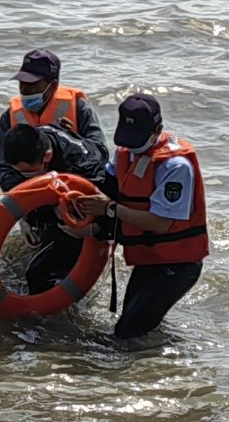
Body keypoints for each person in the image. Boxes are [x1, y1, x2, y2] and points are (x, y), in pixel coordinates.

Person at [69, 93, 208, 339]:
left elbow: (161, 224)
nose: (131, 146)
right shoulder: (124, 153)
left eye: (137, 139)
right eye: (127, 139)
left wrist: (109, 208)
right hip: (148, 257)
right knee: (132, 324)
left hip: (176, 264)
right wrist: (88, 226)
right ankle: (152, 364)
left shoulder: (176, 167)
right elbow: (107, 191)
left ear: (158, 129)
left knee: (127, 333)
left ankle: (165, 369)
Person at [2, 121, 105, 294]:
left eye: (27, 173)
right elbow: (18, 185)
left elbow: (109, 209)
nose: (23, 177)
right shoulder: (32, 142)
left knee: (36, 275)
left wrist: (90, 229)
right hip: (57, 186)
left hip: (84, 198)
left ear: (47, 157)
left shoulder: (84, 166)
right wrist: (24, 219)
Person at [0, 48, 109, 194]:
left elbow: (100, 153)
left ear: (52, 85)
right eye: (21, 83)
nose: (24, 90)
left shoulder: (79, 108)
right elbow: (3, 167)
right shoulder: (9, 117)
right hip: (30, 193)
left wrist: (69, 137)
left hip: (74, 190)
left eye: (32, 84)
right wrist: (30, 194)